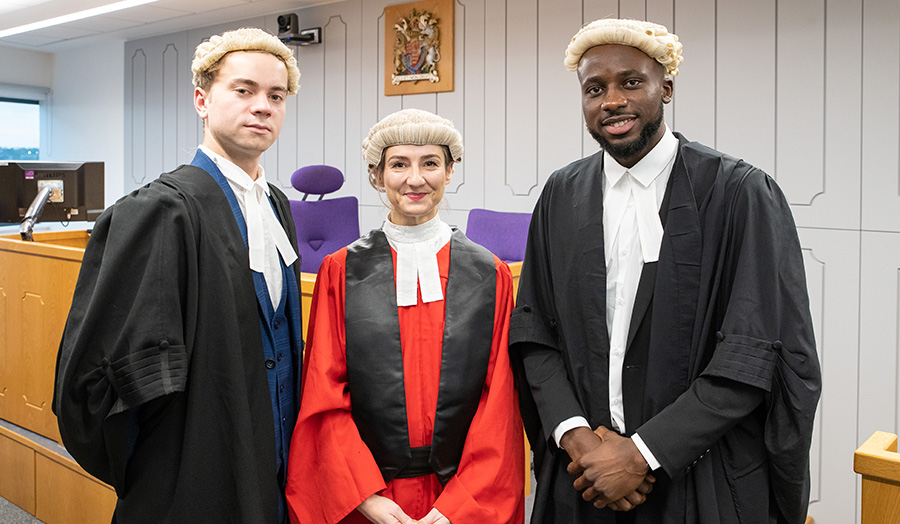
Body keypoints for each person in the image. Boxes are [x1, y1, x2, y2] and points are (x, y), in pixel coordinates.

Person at [510, 18, 821, 524]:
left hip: (699, 478)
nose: (611, 100)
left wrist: (643, 453)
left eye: (631, 82)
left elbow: (756, 350)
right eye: (595, 88)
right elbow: (535, 332)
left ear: (666, 88)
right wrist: (576, 436)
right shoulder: (560, 195)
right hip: (583, 477)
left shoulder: (739, 193)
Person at [53, 27, 304, 523]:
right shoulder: (160, 211)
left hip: (273, 455)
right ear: (202, 100)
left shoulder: (277, 206)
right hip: (192, 467)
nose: (263, 106)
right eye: (244, 89)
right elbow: (106, 366)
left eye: (276, 95)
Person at [285, 108, 525, 524]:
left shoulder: (490, 273)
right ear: (378, 175)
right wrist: (366, 497)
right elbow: (324, 393)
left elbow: (499, 404)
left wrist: (457, 508)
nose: (416, 179)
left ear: (450, 172)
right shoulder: (341, 272)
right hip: (366, 495)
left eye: (430, 163)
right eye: (399, 164)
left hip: (461, 498)